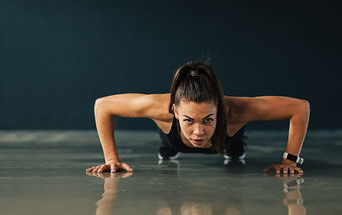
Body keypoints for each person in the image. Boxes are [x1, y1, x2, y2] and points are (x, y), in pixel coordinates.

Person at [86, 61, 310, 175]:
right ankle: (169, 147)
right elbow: (103, 106)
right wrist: (111, 159)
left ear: (220, 111)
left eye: (208, 120)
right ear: (174, 110)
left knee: (234, 151)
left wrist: (290, 160)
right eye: (189, 120)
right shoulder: (159, 107)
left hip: (227, 140)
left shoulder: (237, 110)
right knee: (168, 147)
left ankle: (234, 149)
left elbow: (300, 108)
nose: (198, 131)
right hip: (172, 139)